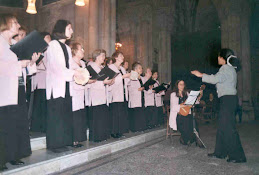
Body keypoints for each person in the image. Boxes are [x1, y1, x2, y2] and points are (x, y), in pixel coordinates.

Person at [191, 48, 246, 163]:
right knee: (222, 127)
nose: (217, 58)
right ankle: (220, 152)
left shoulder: (226, 68)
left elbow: (216, 79)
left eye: (219, 56)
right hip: (228, 100)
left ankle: (238, 156)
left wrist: (201, 75)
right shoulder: (230, 69)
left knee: (229, 128)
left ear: (224, 58)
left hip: (228, 100)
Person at [0, 14, 40, 170]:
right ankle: (2, 158)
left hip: (18, 87)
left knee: (17, 123)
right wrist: (20, 64)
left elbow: (26, 68)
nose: (18, 25)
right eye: (15, 22)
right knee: (4, 124)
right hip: (4, 89)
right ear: (6, 24)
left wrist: (32, 62)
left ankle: (14, 155)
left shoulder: (17, 43)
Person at [45, 19, 83, 150]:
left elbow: (69, 65)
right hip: (56, 86)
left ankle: (64, 142)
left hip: (66, 86)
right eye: (69, 28)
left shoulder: (66, 47)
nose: (72, 31)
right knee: (56, 116)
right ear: (61, 30)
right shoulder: (53, 45)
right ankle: (55, 145)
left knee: (65, 115)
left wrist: (77, 71)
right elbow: (57, 67)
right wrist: (74, 73)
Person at [88, 49, 114, 142]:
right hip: (95, 95)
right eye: (103, 56)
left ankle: (103, 135)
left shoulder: (103, 68)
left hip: (103, 95)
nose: (104, 58)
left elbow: (104, 81)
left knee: (103, 116)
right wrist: (104, 82)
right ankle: (96, 137)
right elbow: (91, 82)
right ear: (97, 57)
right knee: (97, 117)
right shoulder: (91, 67)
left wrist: (110, 81)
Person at [169, 80, 203, 146]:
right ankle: (185, 138)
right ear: (177, 85)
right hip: (178, 115)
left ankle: (193, 138)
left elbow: (194, 102)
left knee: (193, 120)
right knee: (185, 120)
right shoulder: (173, 94)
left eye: (183, 84)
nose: (182, 86)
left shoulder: (187, 93)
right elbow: (173, 107)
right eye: (180, 84)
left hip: (186, 114)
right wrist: (184, 105)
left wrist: (200, 96)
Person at [30, 32, 51, 133]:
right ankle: (37, 126)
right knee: (38, 105)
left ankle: (43, 125)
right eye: (47, 38)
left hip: (47, 82)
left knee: (44, 106)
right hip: (39, 81)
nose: (49, 39)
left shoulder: (49, 51)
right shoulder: (37, 50)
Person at [108, 51, 131, 138]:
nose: (123, 57)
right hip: (114, 93)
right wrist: (123, 77)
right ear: (116, 57)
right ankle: (114, 132)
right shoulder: (111, 67)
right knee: (115, 113)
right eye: (121, 56)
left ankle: (120, 131)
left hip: (122, 93)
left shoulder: (122, 68)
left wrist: (129, 77)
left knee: (121, 113)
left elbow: (126, 82)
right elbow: (112, 81)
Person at [128, 62, 146, 132]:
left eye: (141, 68)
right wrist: (138, 89)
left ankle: (140, 127)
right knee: (135, 113)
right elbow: (130, 87)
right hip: (135, 98)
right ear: (135, 69)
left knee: (140, 113)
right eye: (139, 68)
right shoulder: (132, 76)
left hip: (141, 97)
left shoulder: (141, 78)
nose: (141, 69)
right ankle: (135, 128)